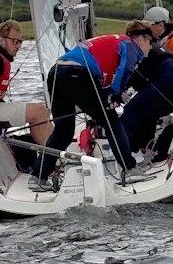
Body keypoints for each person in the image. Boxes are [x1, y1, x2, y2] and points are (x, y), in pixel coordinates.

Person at [31, 20, 153, 190]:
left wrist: (111, 94)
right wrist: (115, 94)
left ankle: (38, 177)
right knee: (111, 121)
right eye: (150, 41)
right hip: (78, 74)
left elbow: (104, 81)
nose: (151, 47)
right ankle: (130, 169)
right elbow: (125, 69)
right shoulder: (129, 44)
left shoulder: (113, 42)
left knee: (63, 132)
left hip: (57, 71)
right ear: (141, 39)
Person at [120, 44, 173, 156]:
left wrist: (118, 92)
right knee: (151, 112)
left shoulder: (143, 53)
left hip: (168, 80)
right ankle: (146, 147)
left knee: (131, 109)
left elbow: (136, 80)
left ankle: (128, 151)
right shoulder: (160, 48)